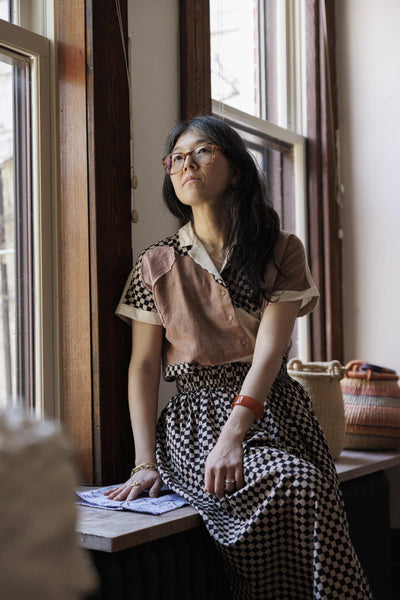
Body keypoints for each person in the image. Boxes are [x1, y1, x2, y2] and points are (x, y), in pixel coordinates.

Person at [105, 115, 372, 600]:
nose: (187, 164)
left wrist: (236, 433)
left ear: (236, 168)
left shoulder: (280, 248)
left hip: (275, 407)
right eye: (176, 158)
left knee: (311, 494)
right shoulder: (156, 262)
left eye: (203, 152)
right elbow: (143, 368)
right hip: (196, 421)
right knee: (299, 484)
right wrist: (144, 463)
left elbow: (271, 349)